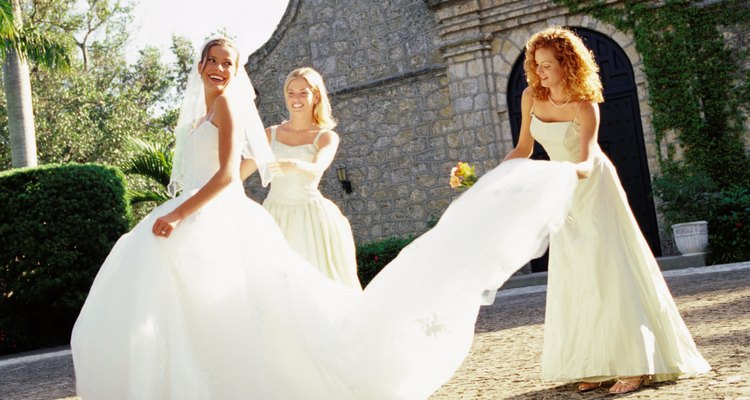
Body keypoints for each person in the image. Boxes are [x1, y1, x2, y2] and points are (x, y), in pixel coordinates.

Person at [72, 37, 581, 399]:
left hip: (229, 214)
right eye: (212, 60)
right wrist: (178, 209)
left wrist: (178, 214)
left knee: (262, 310)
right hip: (209, 213)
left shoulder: (229, 106)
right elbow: (248, 167)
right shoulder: (201, 115)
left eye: (228, 62)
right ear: (200, 64)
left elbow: (229, 175)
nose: (219, 69)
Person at [504, 26, 710, 394]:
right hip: (561, 194)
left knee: (610, 270)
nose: (540, 72)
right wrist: (494, 178)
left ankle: (636, 364)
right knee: (577, 273)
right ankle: (595, 362)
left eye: (548, 65)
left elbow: (587, 158)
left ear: (568, 64)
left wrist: (563, 176)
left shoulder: (585, 104)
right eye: (537, 65)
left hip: (592, 187)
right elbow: (523, 148)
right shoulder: (530, 97)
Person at [259, 67, 361, 289]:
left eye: (303, 93)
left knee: (315, 283)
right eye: (290, 93)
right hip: (274, 215)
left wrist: (294, 164)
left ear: (316, 96)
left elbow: (318, 167)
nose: (296, 98)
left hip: (310, 217)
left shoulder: (326, 137)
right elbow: (239, 171)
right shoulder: (270, 134)